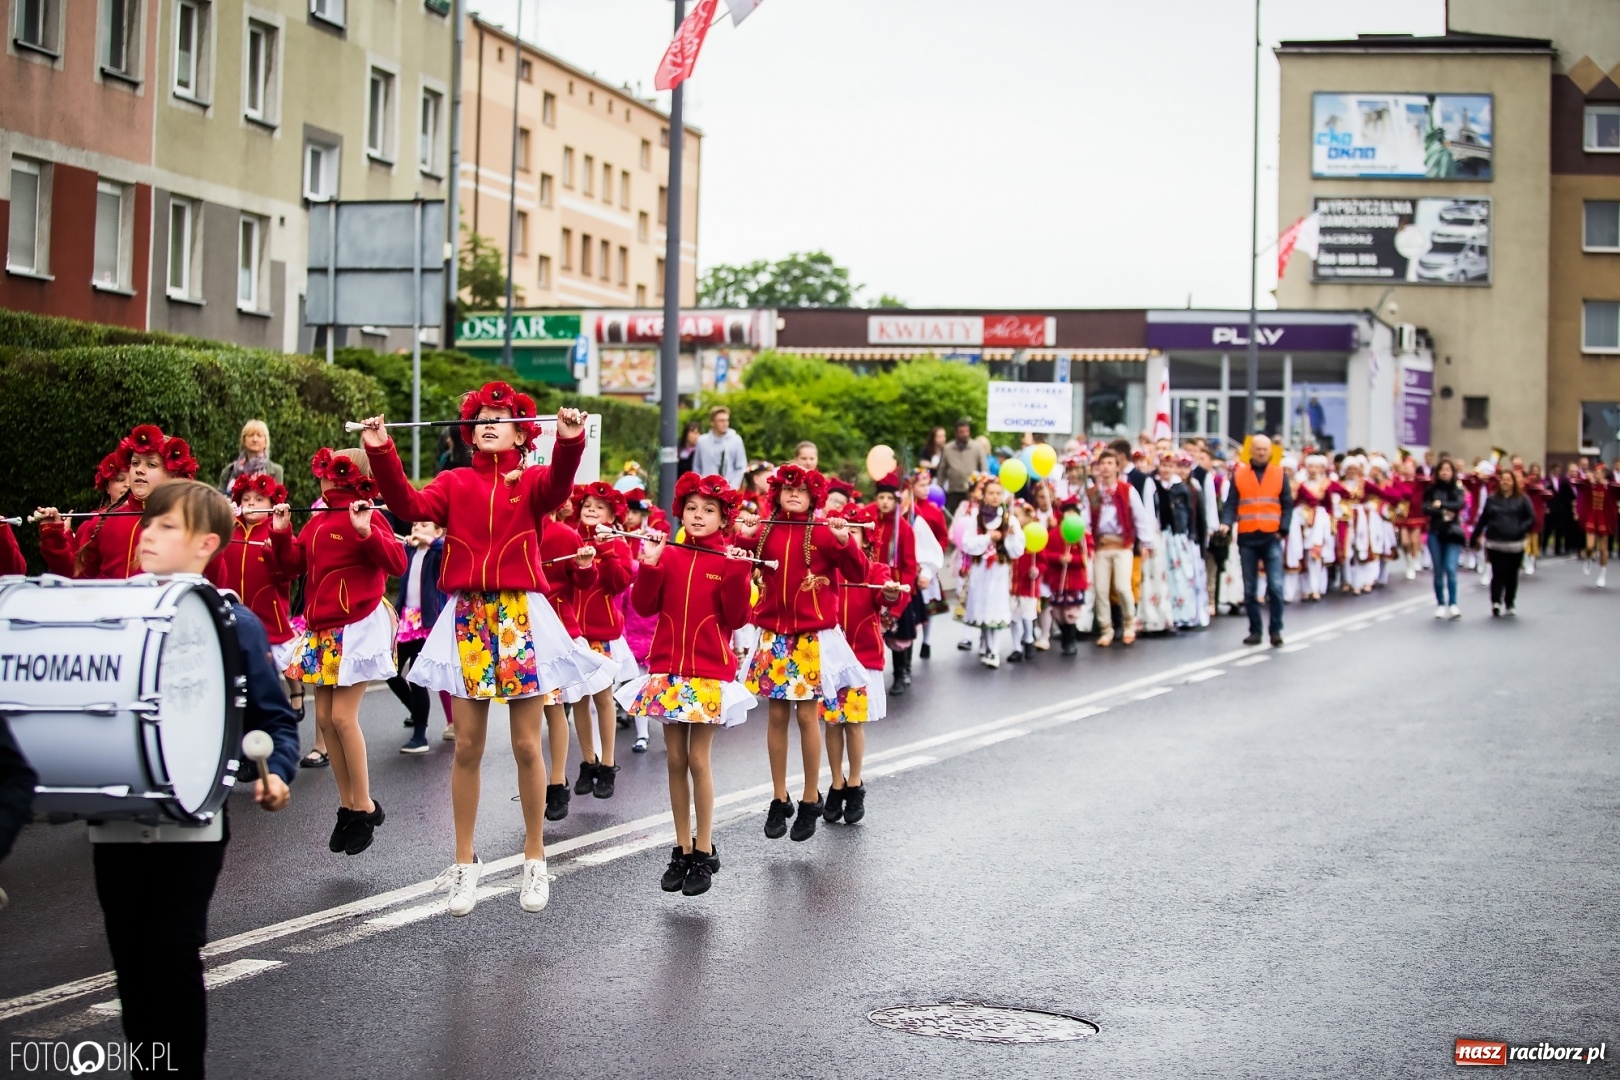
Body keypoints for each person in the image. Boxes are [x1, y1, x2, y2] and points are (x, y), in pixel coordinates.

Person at [361, 386, 604, 916]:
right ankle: (464, 863)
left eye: (501, 418)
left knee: (526, 745)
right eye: (482, 418)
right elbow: (407, 506)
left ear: (521, 433)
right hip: (469, 615)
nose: (489, 424)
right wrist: (381, 449)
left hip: (518, 616)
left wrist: (569, 441)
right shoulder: (454, 481)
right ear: (470, 432)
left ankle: (535, 857)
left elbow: (561, 483)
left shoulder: (532, 482)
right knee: (467, 746)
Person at [94, 479, 297, 1079]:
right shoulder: (109, 612)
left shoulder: (233, 622)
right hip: (116, 816)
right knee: (130, 963)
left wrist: (279, 773)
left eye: (167, 526)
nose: (148, 535)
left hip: (193, 820)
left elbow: (274, 721)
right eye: (148, 523)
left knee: (173, 952)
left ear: (207, 543)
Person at [620, 473, 755, 895]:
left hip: (710, 673)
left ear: (724, 519)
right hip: (668, 671)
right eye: (692, 508)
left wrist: (739, 572)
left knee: (698, 758)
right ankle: (680, 848)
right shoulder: (670, 554)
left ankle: (704, 848)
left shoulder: (730, 559)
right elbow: (643, 606)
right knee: (674, 759)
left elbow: (737, 618)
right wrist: (650, 564)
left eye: (709, 510)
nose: (698, 516)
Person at [272, 449, 403, 855]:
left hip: (357, 625)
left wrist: (367, 531)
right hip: (324, 628)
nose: (326, 476)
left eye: (336, 470)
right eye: (327, 469)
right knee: (326, 720)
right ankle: (348, 806)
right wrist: (281, 533)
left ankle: (364, 805)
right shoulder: (318, 519)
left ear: (353, 476)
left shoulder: (367, 515)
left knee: (343, 718)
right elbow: (292, 566)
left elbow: (397, 562)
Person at [741, 465, 865, 842]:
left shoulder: (824, 531)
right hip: (772, 636)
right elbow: (735, 560)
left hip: (809, 638)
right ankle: (780, 797)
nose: (794, 495)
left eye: (802, 491)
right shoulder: (765, 530)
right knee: (776, 716)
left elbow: (858, 572)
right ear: (776, 494)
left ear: (814, 498)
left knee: (808, 715)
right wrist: (743, 535)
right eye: (787, 489)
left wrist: (845, 541)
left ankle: (811, 797)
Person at [823, 502, 905, 825]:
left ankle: (855, 782)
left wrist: (891, 593)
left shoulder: (876, 570)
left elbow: (885, 597)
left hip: (861, 658)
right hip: (830, 659)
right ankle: (836, 782)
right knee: (832, 722)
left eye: (853, 531)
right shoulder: (828, 568)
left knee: (853, 723)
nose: (845, 534)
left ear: (866, 539)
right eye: (842, 529)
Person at [37, 425, 199, 579]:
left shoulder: (191, 522)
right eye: (135, 463)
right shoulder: (103, 521)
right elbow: (77, 577)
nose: (139, 470)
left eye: (151, 464)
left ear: (174, 476)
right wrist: (52, 533)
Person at [209, 473, 302, 717]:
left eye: (259, 499)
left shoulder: (277, 532)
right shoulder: (229, 529)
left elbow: (288, 575)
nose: (251, 503)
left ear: (272, 505)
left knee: (281, 658)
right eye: (246, 498)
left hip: (268, 610)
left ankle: (295, 690)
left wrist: (274, 553)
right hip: (234, 607)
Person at [569, 482, 637, 798]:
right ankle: (588, 761)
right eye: (587, 506)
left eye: (600, 507)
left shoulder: (618, 543)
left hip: (602, 633)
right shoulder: (570, 538)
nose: (592, 511)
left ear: (611, 515)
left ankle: (608, 763)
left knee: (603, 698)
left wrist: (607, 550)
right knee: (578, 699)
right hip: (573, 633)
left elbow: (620, 582)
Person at [1219, 434, 1292, 647]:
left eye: (1265, 449)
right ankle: (1255, 630)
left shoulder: (1279, 474)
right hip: (1248, 537)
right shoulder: (1239, 474)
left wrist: (1283, 528)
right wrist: (1226, 523)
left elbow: (1287, 504)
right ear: (1251, 451)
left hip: (1271, 536)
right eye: (1257, 449)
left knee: (1275, 587)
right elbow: (1231, 503)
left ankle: (1276, 630)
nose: (1261, 453)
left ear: (1270, 452)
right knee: (1250, 589)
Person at [388, 520, 450, 752]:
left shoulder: (438, 553)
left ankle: (420, 736)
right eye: (415, 525)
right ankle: (416, 710)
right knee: (390, 670)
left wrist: (430, 541)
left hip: (427, 623)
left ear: (438, 531)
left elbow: (446, 549)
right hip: (406, 621)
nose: (416, 529)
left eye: (424, 526)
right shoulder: (410, 551)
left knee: (416, 677)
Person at [960, 476, 1027, 667]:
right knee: (982, 606)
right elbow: (967, 543)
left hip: (999, 570)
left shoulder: (1009, 519)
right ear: (984, 495)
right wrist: (988, 538)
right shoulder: (977, 519)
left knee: (995, 607)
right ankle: (987, 646)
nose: (995, 497)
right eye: (991, 493)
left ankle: (994, 650)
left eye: (998, 493)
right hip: (981, 570)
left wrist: (1010, 537)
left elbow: (1017, 549)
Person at [1087, 449, 1151, 648]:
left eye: (1109, 463)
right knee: (1101, 590)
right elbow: (1087, 520)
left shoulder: (1127, 490)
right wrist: (1087, 543)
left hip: (1123, 545)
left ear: (1117, 467)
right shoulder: (1093, 493)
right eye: (1102, 463)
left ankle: (1129, 624)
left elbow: (1140, 517)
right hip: (1101, 546)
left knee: (1123, 587)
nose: (1105, 467)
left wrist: (1145, 542)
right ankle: (1106, 629)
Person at [1471, 469, 1535, 616]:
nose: (1505, 482)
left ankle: (1510, 602)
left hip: (1515, 544)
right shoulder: (1492, 499)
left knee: (1512, 574)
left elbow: (1531, 518)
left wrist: (1520, 528)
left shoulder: (1522, 499)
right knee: (1498, 573)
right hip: (1495, 543)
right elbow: (1483, 520)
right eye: (1503, 479)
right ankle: (1496, 601)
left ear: (1513, 482)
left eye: (1508, 479)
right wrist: (1474, 537)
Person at [1423, 458, 1467, 619]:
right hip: (1435, 532)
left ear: (1452, 472)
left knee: (1450, 567)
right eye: (1442, 470)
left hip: (1452, 533)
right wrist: (1442, 511)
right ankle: (1441, 603)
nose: (1444, 473)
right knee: (1438, 570)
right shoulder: (1431, 489)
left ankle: (1453, 603)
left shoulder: (1457, 489)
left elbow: (1459, 504)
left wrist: (1440, 505)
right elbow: (1425, 507)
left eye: (1448, 470)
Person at [1573, 464, 1618, 588]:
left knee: (1603, 549)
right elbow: (1575, 482)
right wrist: (1586, 478)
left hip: (1605, 519)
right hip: (1592, 517)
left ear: (1604, 474)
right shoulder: (1590, 485)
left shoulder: (1610, 487)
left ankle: (1602, 574)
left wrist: (1609, 483)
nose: (1596, 475)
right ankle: (1588, 558)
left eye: (1598, 473)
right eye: (1595, 473)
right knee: (1589, 546)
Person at [217, 418, 284, 493]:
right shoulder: (229, 470)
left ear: (266, 441)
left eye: (259, 435)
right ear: (244, 440)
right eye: (251, 435)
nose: (255, 439)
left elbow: (277, 498)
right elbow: (219, 497)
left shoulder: (276, 471)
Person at [939, 418, 989, 514]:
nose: (965, 434)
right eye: (961, 432)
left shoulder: (977, 448)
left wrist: (983, 488)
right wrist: (940, 489)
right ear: (956, 433)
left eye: (966, 431)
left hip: (971, 491)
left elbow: (984, 469)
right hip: (954, 490)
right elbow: (941, 471)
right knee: (954, 514)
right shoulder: (947, 449)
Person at [692, 406, 748, 487]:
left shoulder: (736, 440)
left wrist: (733, 487)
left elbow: (741, 467)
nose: (725, 423)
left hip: (728, 488)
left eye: (727, 420)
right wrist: (701, 486)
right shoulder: (702, 441)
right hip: (706, 488)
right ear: (712, 423)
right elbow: (697, 467)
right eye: (721, 421)